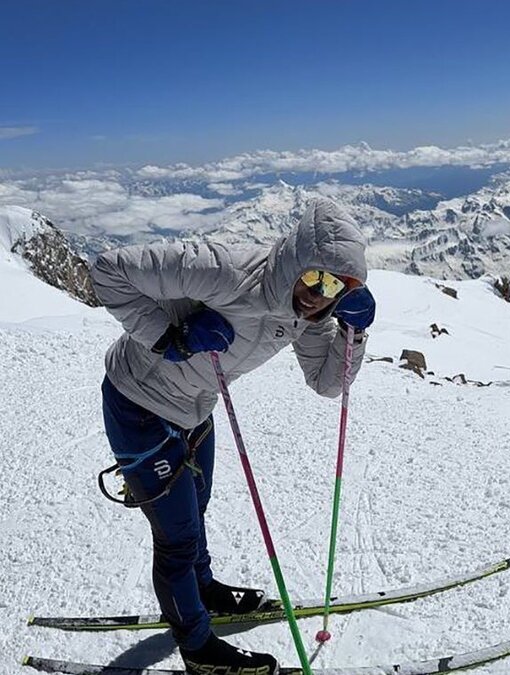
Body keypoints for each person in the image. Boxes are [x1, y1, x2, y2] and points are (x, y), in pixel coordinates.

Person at [90, 198, 376, 675]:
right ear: (295, 263)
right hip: (136, 402)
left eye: (337, 290)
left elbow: (328, 384)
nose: (319, 295)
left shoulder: (309, 315)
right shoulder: (224, 271)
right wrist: (171, 336)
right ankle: (197, 648)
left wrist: (355, 333)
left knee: (195, 510)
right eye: (316, 277)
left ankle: (202, 590)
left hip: (195, 408)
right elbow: (107, 272)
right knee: (176, 538)